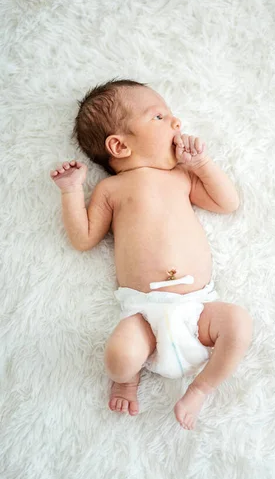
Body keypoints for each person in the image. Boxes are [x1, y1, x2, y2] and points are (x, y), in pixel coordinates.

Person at [50, 79, 253, 430]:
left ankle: (201, 389)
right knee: (118, 356)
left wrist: (201, 164)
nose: (176, 123)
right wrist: (71, 192)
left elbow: (227, 202)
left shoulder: (181, 178)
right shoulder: (110, 189)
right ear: (119, 145)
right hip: (144, 314)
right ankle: (126, 380)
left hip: (198, 309)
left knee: (238, 323)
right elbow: (83, 239)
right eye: (159, 117)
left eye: (173, 116)